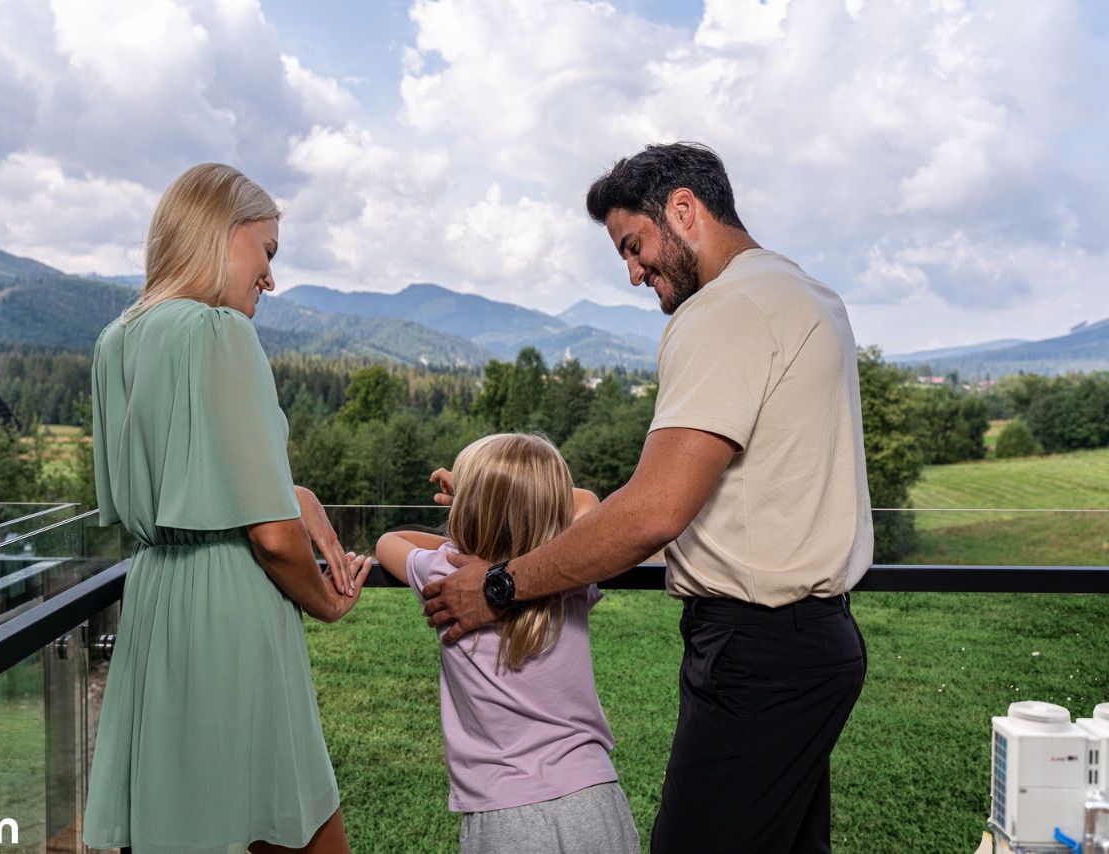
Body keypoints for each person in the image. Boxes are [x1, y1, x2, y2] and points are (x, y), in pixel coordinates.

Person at [421, 143, 872, 853]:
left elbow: (654, 510)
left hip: (757, 651)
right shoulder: (807, 296)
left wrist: (502, 585)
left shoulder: (725, 311)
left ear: (685, 210)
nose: (633, 274)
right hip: (820, 644)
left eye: (634, 247)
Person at [83, 162, 373, 854]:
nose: (270, 278)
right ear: (219, 231)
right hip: (230, 610)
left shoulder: (116, 340)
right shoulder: (220, 335)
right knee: (290, 815)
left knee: (185, 818)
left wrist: (291, 490)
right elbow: (272, 539)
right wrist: (328, 602)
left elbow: (189, 476)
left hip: (155, 600)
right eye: (267, 251)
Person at [376, 434, 640, 854]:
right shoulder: (566, 570)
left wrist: (472, 496)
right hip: (594, 797)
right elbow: (587, 502)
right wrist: (524, 493)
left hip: (505, 812)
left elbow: (389, 542)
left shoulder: (445, 574)